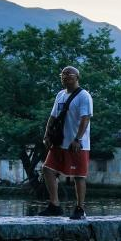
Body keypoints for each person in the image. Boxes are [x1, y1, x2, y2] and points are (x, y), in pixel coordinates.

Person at [39, 66, 93, 219]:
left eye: (68, 74)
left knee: (79, 176)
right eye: (62, 74)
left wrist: (78, 139)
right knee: (47, 169)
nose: (64, 77)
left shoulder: (84, 96)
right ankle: (54, 205)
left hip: (77, 144)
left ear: (77, 77)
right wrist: (46, 135)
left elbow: (85, 119)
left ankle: (80, 208)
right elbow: (53, 117)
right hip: (59, 142)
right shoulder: (60, 95)